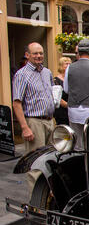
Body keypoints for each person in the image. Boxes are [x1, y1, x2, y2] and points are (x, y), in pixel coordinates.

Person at [12, 42, 55, 192]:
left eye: (41, 53)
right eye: (35, 53)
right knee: (36, 163)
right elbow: (17, 103)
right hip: (34, 122)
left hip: (50, 121)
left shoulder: (47, 72)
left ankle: (49, 195)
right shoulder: (22, 75)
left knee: (51, 159)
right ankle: (37, 201)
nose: (39, 56)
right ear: (27, 55)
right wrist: (24, 127)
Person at [53, 57, 71, 125]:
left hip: (72, 111)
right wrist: (69, 106)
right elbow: (58, 98)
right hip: (62, 112)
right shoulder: (55, 80)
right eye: (66, 64)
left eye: (70, 64)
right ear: (61, 65)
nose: (69, 65)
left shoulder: (72, 79)